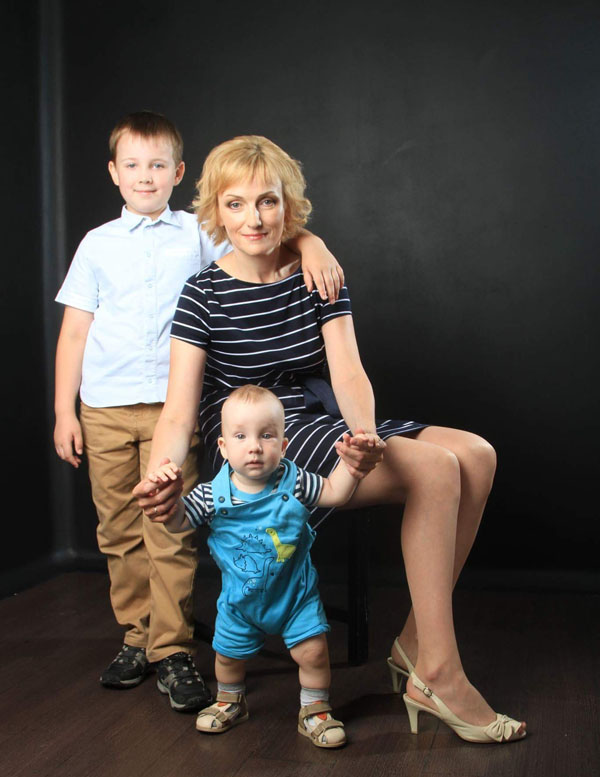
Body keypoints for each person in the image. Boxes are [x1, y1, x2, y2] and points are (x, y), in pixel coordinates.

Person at [135, 135, 526, 743]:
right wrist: (162, 471)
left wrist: (363, 438)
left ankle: (416, 645)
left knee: (477, 455)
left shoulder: (317, 274)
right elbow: (179, 412)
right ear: (216, 211)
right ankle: (439, 674)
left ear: (287, 205)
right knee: (436, 468)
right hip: (261, 440)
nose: (253, 218)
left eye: (267, 201)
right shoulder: (203, 294)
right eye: (235, 204)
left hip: (323, 418)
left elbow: (347, 371)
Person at [53, 113, 345, 713]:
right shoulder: (96, 245)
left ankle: (172, 646)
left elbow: (260, 235)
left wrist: (312, 242)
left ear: (178, 172)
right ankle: (137, 636)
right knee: (119, 528)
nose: (145, 176)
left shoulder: (198, 233)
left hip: (174, 406)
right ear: (113, 173)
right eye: (132, 165)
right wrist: (64, 410)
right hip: (104, 405)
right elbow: (75, 332)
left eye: (158, 165)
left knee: (171, 525)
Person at [148, 385, 377, 746]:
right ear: (223, 447)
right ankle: (230, 700)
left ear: (283, 446)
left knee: (313, 653)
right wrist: (169, 499)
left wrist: (351, 466)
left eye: (266, 436)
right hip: (240, 602)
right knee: (227, 657)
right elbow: (178, 523)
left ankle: (314, 709)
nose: (254, 446)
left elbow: (334, 492)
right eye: (240, 436)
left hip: (294, 597)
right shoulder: (211, 495)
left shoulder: (294, 481)